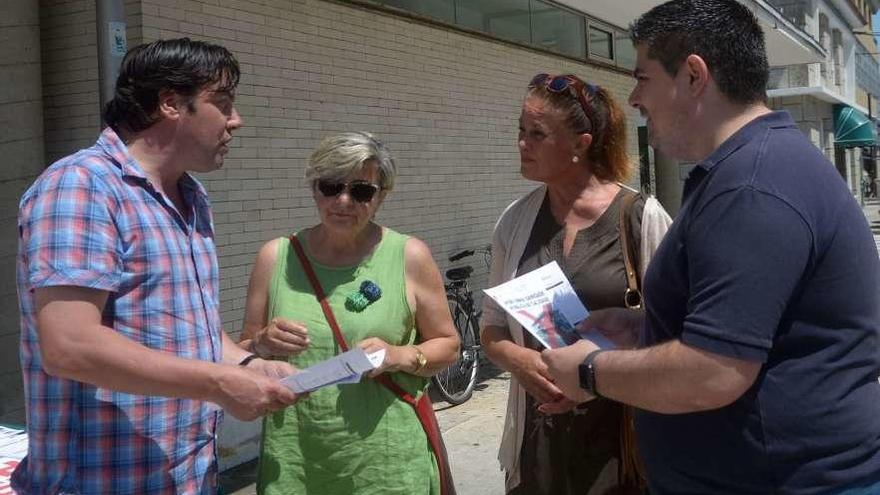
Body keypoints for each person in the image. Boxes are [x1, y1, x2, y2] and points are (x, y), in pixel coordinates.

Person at [542, 1, 880, 494]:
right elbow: (758, 327)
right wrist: (646, 326)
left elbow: (714, 371)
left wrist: (590, 372)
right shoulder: (747, 169)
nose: (634, 97)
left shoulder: (753, 186)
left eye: (643, 78)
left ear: (694, 75)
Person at [13, 38, 301, 494]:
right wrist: (219, 384)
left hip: (188, 474)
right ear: (170, 103)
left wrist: (248, 364)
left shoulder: (190, 196)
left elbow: (187, 327)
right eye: (222, 104)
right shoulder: (81, 187)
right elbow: (69, 346)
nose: (236, 120)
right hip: (101, 481)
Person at [479, 73, 671, 494]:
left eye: (537, 134)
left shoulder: (640, 217)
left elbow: (678, 329)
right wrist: (521, 361)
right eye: (520, 131)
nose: (521, 144)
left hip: (623, 445)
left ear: (581, 144)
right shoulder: (515, 221)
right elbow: (490, 327)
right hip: (540, 448)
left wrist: (595, 375)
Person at [240, 131, 460, 495]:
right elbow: (243, 350)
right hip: (297, 462)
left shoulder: (409, 256)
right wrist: (262, 343)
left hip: (387, 464)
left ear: (380, 196)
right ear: (314, 188)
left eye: (361, 191)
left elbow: (448, 345)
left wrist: (398, 355)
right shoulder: (275, 257)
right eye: (331, 186)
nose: (343, 201)